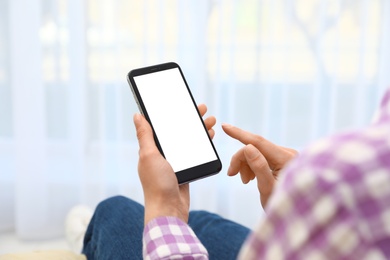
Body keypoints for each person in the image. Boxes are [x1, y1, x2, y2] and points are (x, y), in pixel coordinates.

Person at [82, 90, 390, 259]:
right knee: (201, 222)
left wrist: (166, 210)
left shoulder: (344, 175)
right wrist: (298, 211)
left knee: (116, 211)